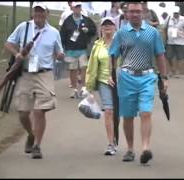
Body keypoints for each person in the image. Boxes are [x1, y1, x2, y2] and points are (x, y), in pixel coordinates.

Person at [108, 2, 168, 164]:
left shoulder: (152, 32)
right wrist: (110, 74)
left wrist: (164, 78)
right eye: (131, 12)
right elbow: (112, 55)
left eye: (138, 12)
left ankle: (145, 148)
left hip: (147, 77)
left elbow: (160, 55)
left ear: (144, 13)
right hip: (126, 77)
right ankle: (129, 149)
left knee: (146, 112)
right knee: (128, 116)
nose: (134, 14)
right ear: (126, 14)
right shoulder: (121, 33)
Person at [4, 2, 64, 159]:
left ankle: (37, 145)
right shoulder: (23, 27)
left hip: (45, 73)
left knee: (39, 110)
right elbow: (9, 43)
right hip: (25, 73)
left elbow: (59, 51)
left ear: (47, 14)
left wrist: (59, 56)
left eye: (41, 12)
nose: (39, 15)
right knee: (23, 112)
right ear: (33, 13)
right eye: (36, 12)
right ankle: (30, 134)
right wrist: (17, 53)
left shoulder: (53, 32)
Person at [85, 17, 117, 155]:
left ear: (115, 27)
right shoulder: (97, 46)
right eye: (105, 25)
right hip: (104, 82)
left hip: (121, 81)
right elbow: (91, 68)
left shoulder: (121, 43)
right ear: (101, 28)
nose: (107, 27)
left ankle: (123, 140)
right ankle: (111, 143)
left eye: (110, 24)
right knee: (108, 111)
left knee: (122, 113)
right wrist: (89, 88)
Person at [60, 1, 97, 98]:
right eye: (76, 7)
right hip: (70, 49)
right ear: (72, 8)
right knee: (73, 69)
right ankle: (74, 89)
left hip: (83, 48)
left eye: (79, 7)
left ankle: (84, 88)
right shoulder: (67, 21)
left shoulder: (86, 20)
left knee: (84, 67)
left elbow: (94, 30)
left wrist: (88, 30)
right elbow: (62, 34)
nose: (78, 9)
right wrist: (62, 48)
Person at [163, 6, 184, 78]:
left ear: (179, 12)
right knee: (168, 56)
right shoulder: (168, 18)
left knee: (180, 57)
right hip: (170, 41)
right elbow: (164, 28)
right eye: (174, 13)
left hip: (181, 41)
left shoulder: (183, 19)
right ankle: (172, 69)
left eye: (177, 13)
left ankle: (177, 71)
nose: (175, 14)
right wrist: (165, 38)